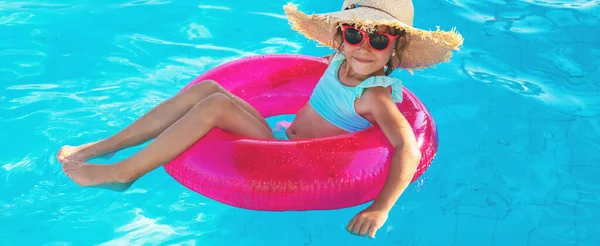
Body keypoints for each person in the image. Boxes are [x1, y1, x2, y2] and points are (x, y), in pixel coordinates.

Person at [57, 0, 463, 238]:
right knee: (208, 90)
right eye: (355, 34)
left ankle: (124, 173)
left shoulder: (374, 96)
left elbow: (406, 147)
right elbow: (319, 71)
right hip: (279, 135)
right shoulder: (340, 59)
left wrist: (382, 208)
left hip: (289, 155)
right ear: (341, 36)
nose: (363, 48)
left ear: (396, 49)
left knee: (214, 107)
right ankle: (97, 148)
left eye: (378, 40)